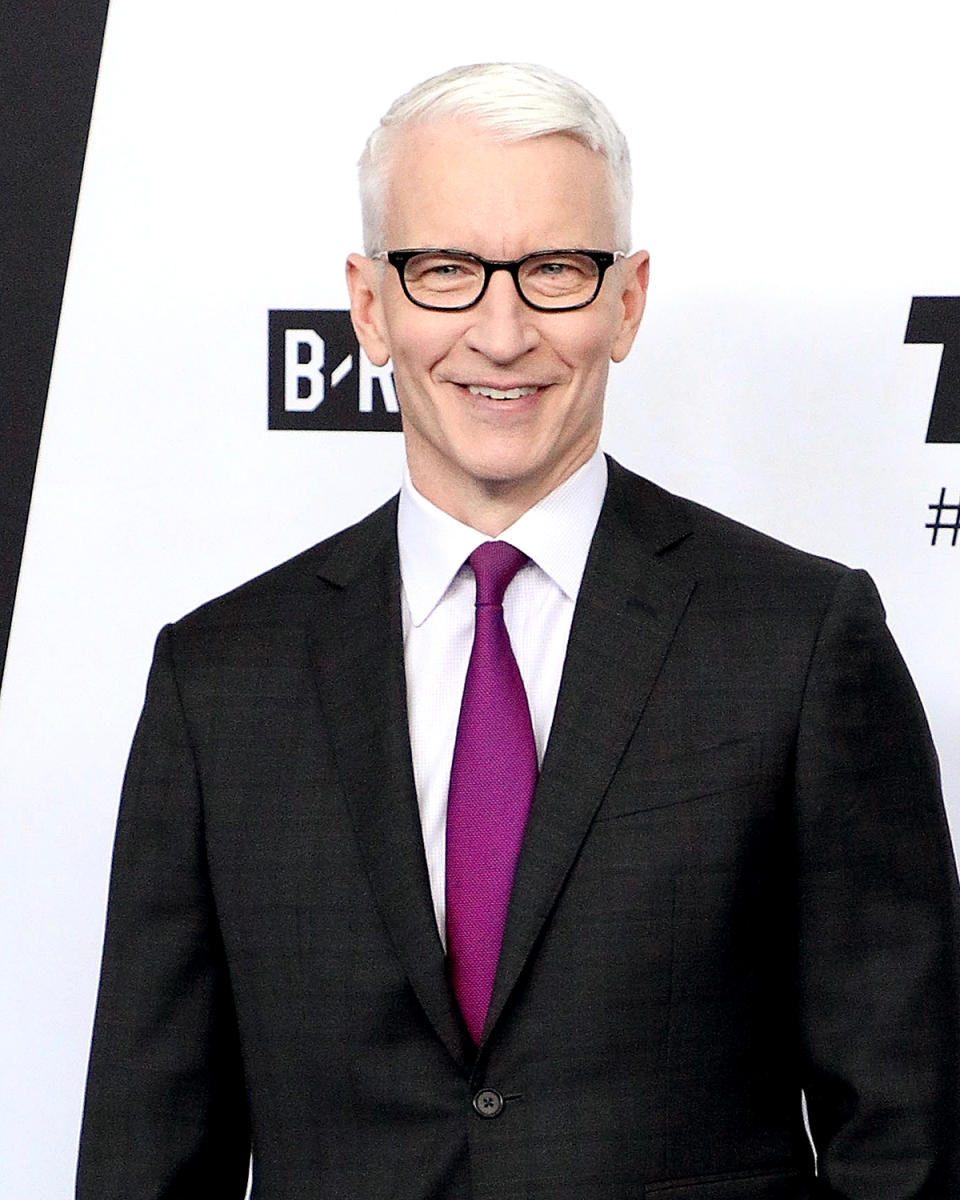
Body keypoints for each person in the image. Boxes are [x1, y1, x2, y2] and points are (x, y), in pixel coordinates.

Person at [77, 63, 960, 1199]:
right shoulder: (219, 681)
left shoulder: (799, 644)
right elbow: (150, 1160)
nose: (501, 333)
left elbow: (907, 1142)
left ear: (627, 301)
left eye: (554, 271)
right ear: (368, 305)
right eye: (445, 271)